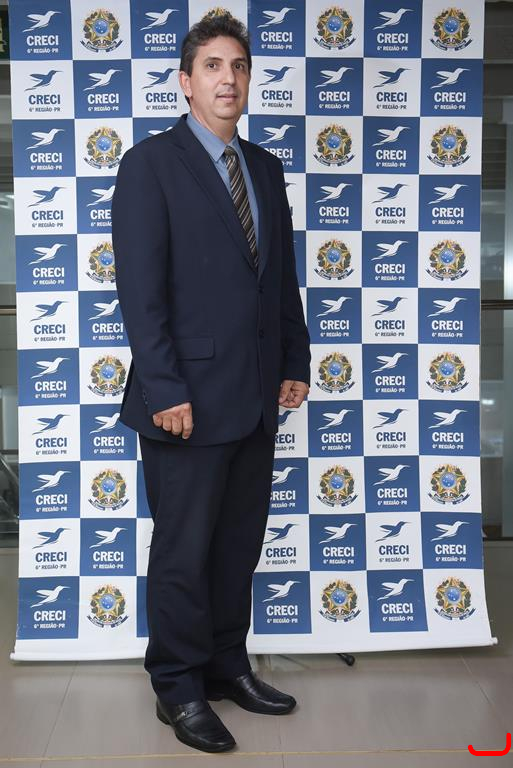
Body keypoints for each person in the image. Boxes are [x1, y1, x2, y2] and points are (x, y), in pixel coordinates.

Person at [112, 13, 310, 754]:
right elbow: (141, 294)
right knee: (184, 551)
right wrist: (165, 388)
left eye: (239, 66)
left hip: (255, 396)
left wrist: (293, 359)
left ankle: (228, 665)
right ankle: (177, 683)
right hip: (184, 402)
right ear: (186, 82)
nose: (229, 78)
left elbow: (278, 279)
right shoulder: (150, 165)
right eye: (213, 66)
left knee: (236, 546)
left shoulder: (264, 167)